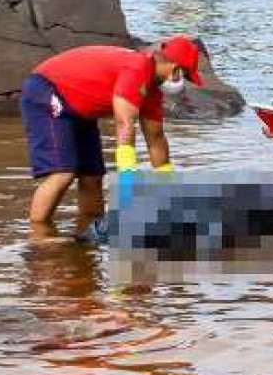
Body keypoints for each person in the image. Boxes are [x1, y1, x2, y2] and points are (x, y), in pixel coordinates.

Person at [23, 36, 212, 239]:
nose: (182, 83)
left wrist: (171, 191)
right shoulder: (137, 68)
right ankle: (39, 238)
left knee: (92, 176)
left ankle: (89, 236)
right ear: (175, 69)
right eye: (185, 76)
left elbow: (156, 140)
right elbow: (124, 124)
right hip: (48, 90)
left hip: (81, 107)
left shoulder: (153, 93)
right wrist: (128, 184)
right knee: (63, 172)